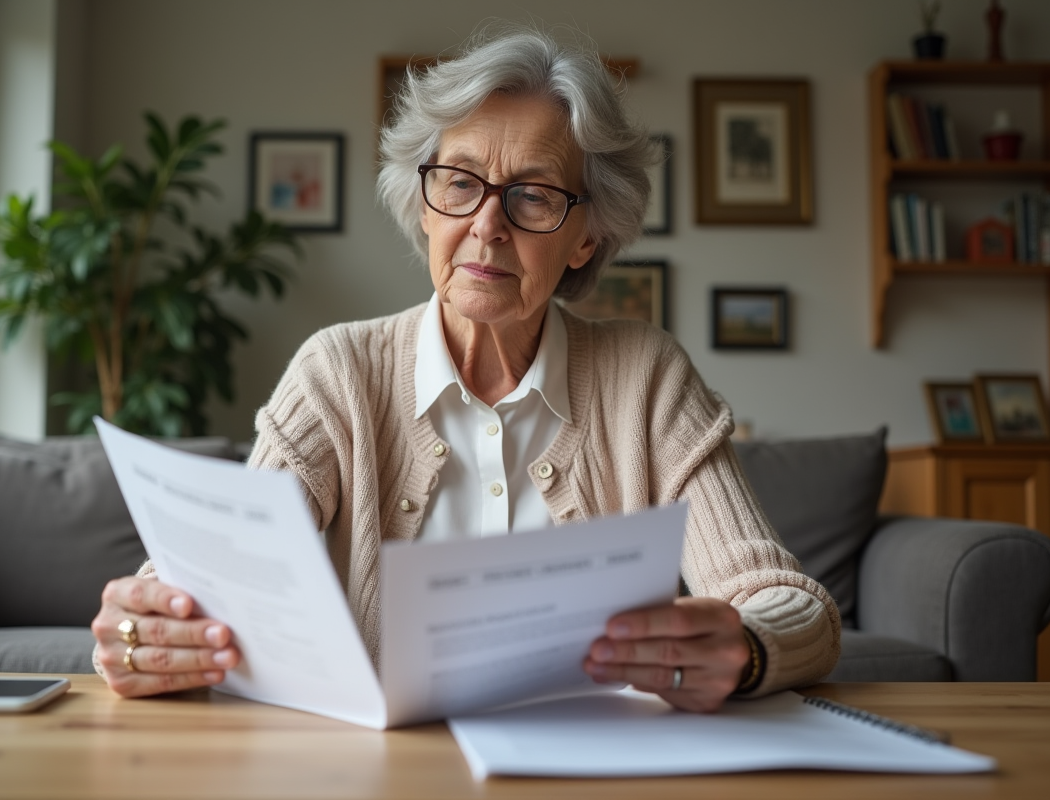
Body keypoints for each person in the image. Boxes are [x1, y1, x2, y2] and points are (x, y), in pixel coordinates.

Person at [91, 25, 840, 713]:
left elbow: (789, 601)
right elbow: (221, 572)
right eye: (460, 182)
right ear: (424, 208)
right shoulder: (339, 373)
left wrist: (745, 649)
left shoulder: (645, 377)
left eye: (533, 195)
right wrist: (150, 619)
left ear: (586, 237)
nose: (487, 224)